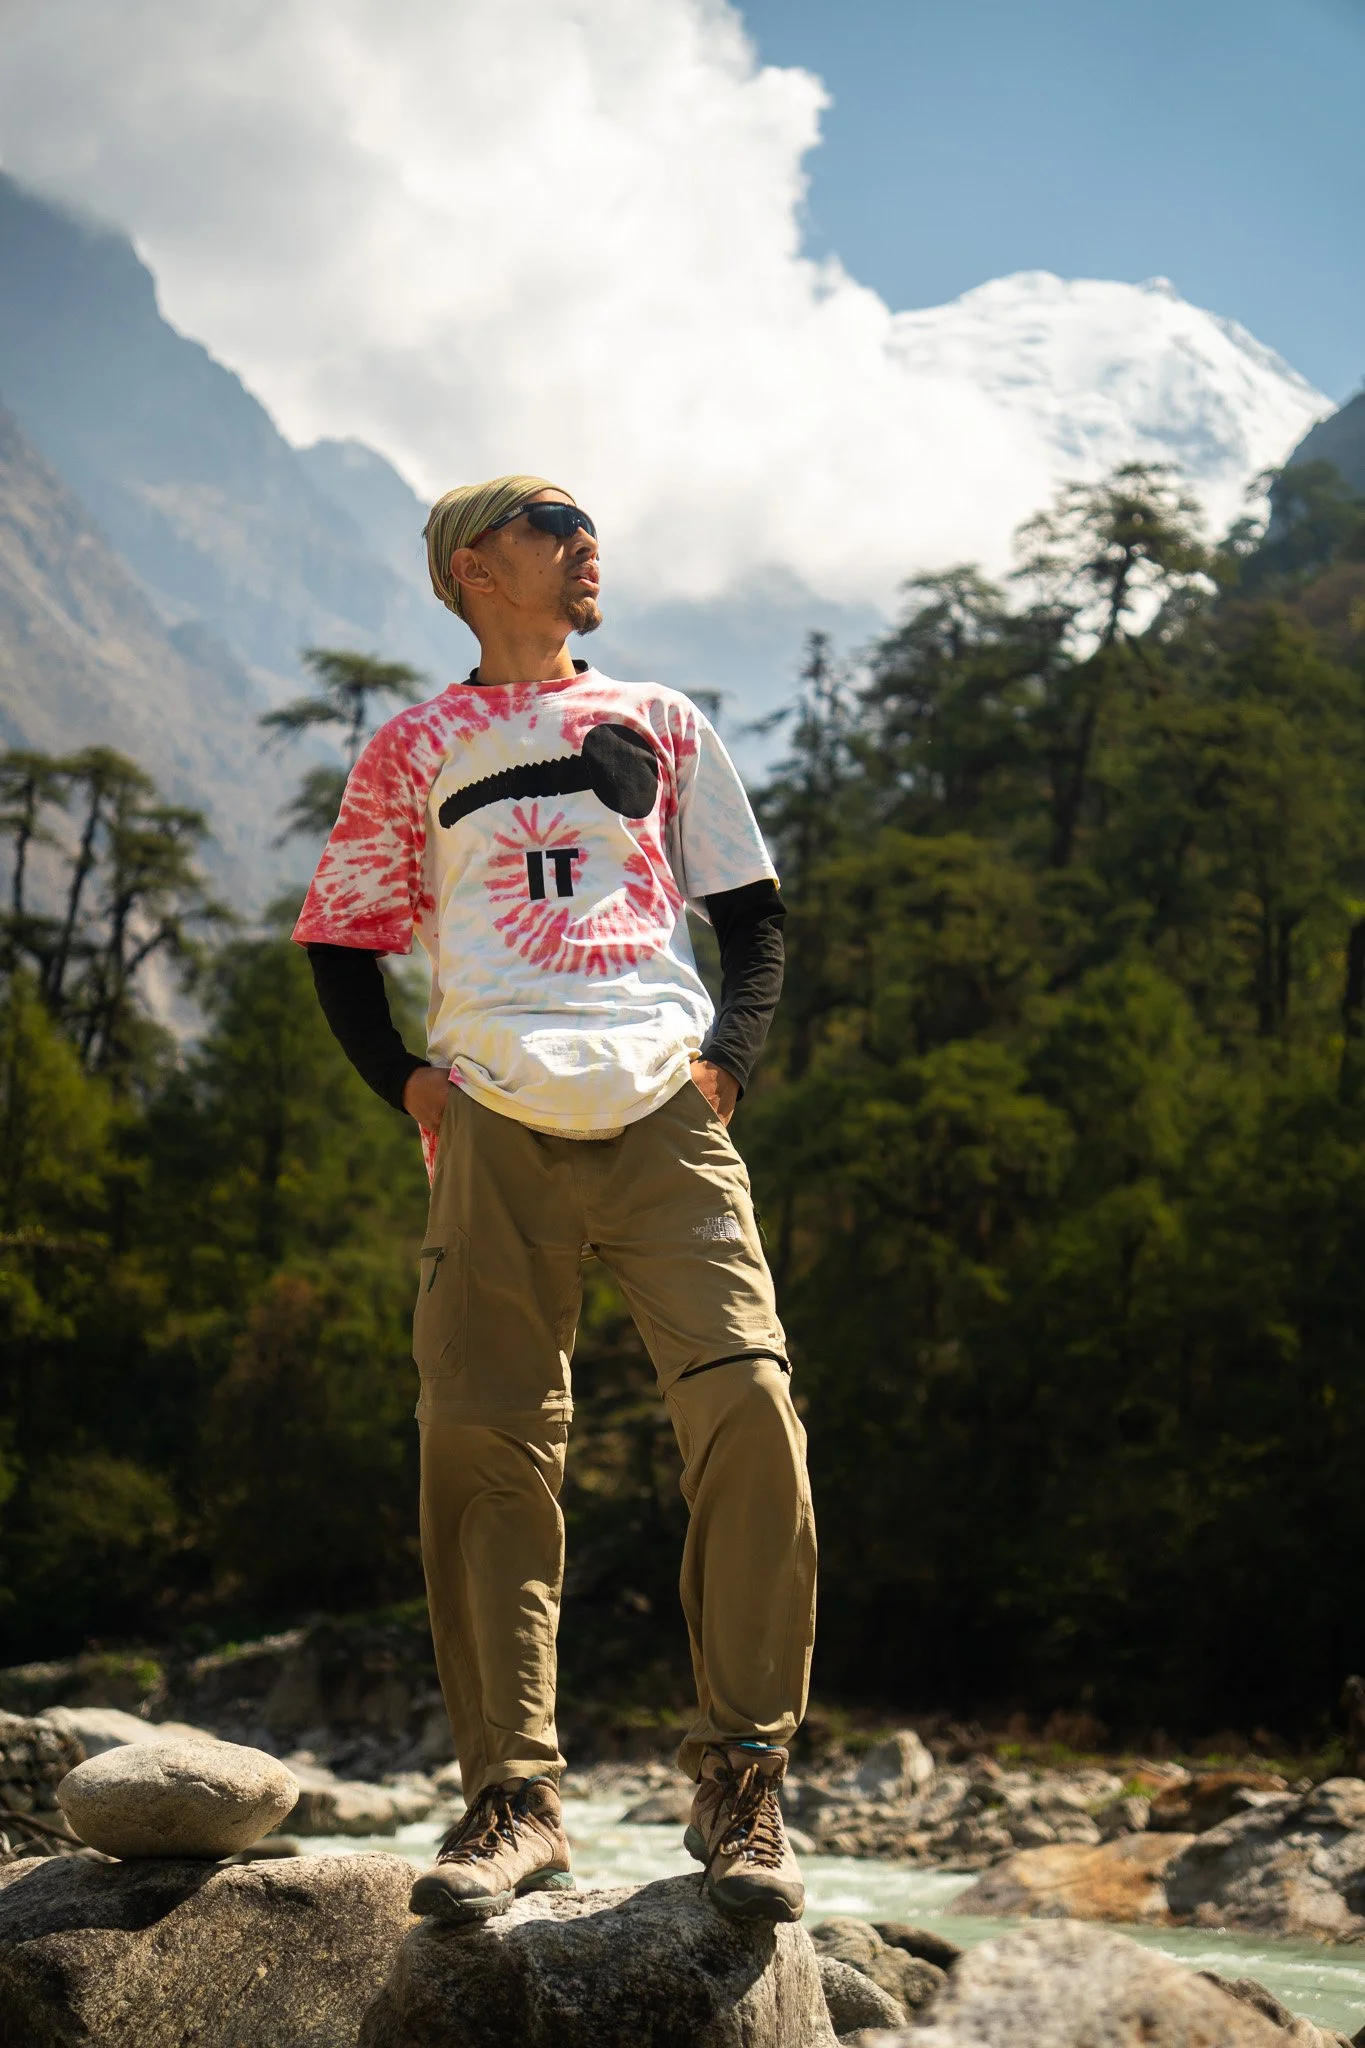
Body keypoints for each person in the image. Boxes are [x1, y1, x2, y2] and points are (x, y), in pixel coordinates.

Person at [293, 474, 816, 1925]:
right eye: (550, 524)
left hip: (665, 1108)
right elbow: (342, 937)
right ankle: (513, 1800)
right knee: (480, 1447)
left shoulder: (658, 720)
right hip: (493, 1113)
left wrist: (724, 1064)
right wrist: (408, 1083)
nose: (588, 541)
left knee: (751, 1410)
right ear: (473, 568)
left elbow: (753, 914)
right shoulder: (415, 749)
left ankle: (745, 1781)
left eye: (587, 523)